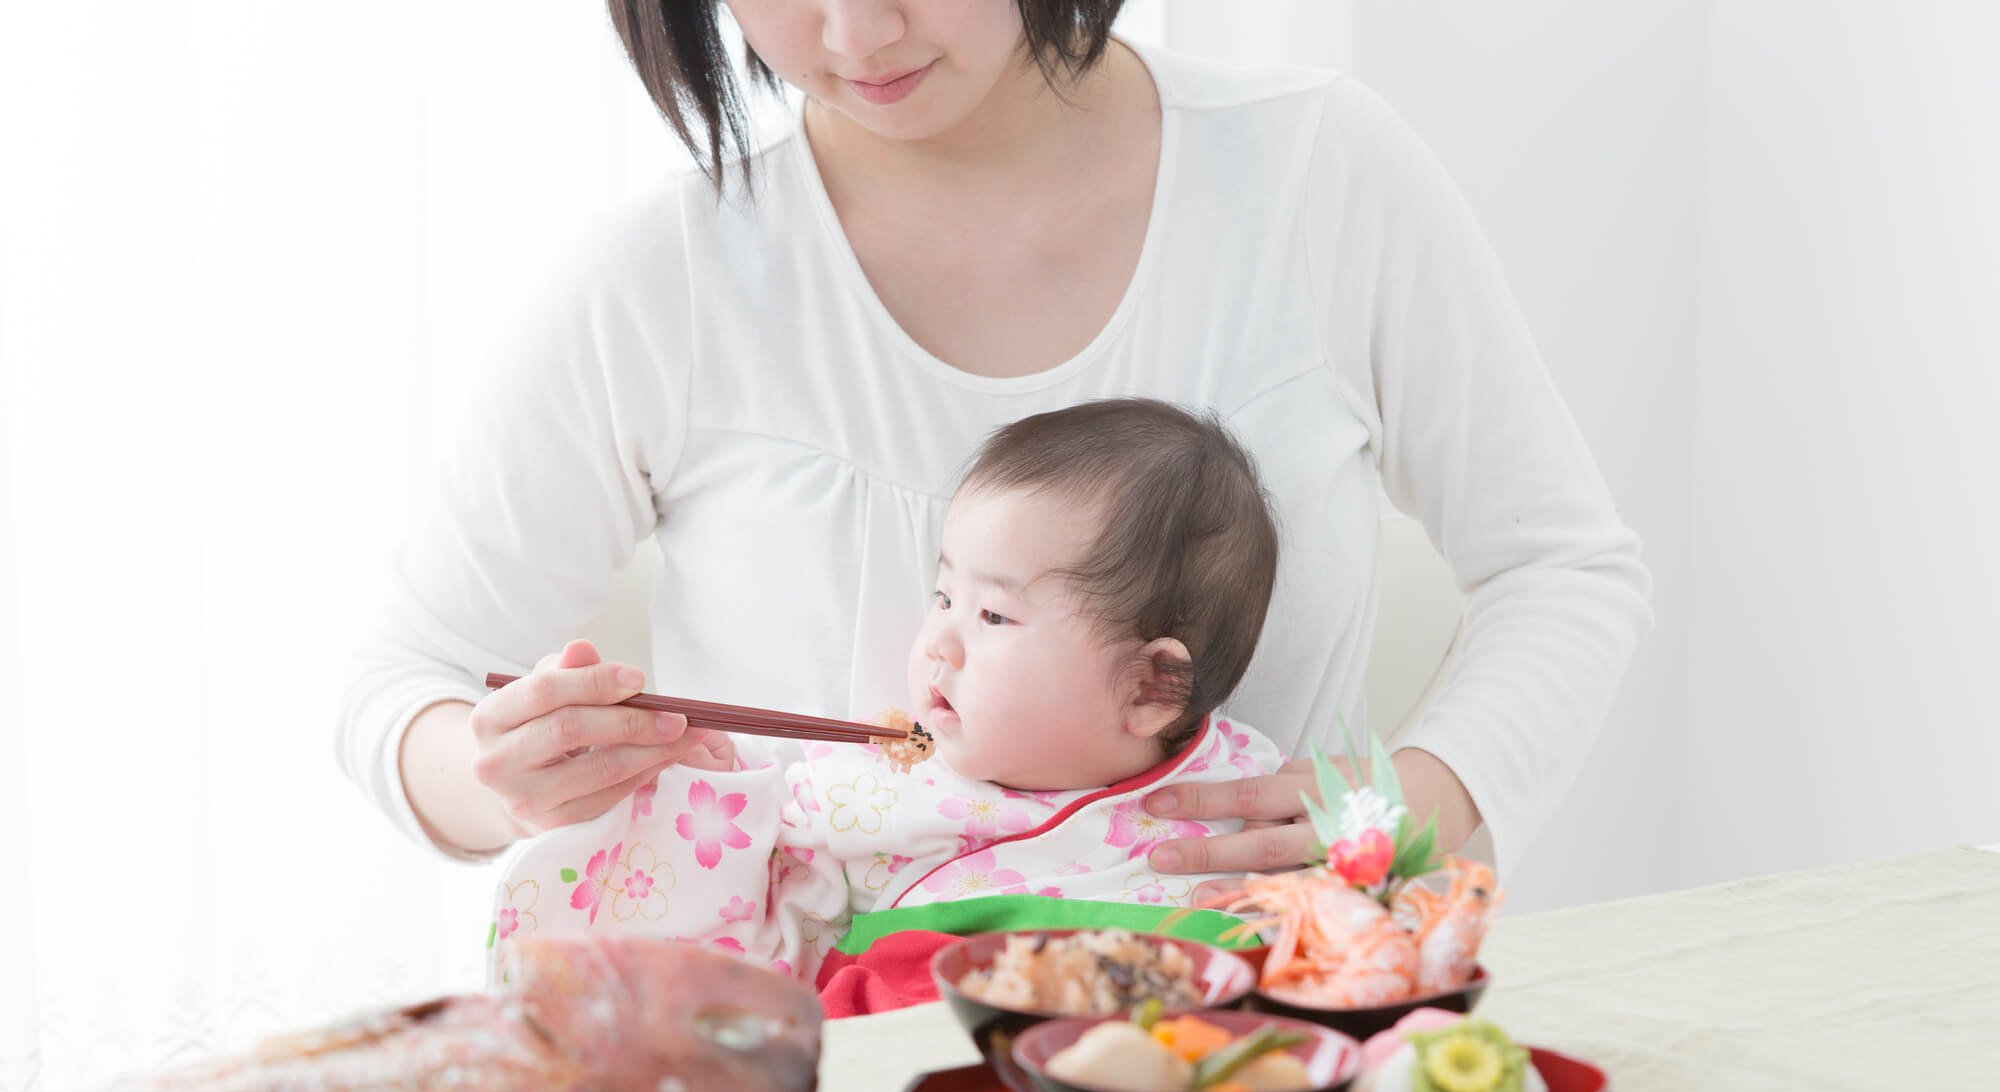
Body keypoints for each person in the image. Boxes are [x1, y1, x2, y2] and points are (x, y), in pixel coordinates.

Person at [339, 1, 1651, 913]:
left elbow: (1564, 568)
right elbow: (406, 686)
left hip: (1245, 1066)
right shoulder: (660, 282)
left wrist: (1416, 797)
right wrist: (494, 776)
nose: (855, 33)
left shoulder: (1317, 170)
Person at [487, 399, 1290, 1009]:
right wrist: (708, 790)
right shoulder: (874, 781)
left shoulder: (1242, 793)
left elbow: (1319, 918)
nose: (939, 641)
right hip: (895, 1052)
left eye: (994, 616)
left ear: (1153, 688)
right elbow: (761, 948)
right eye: (944, 595)